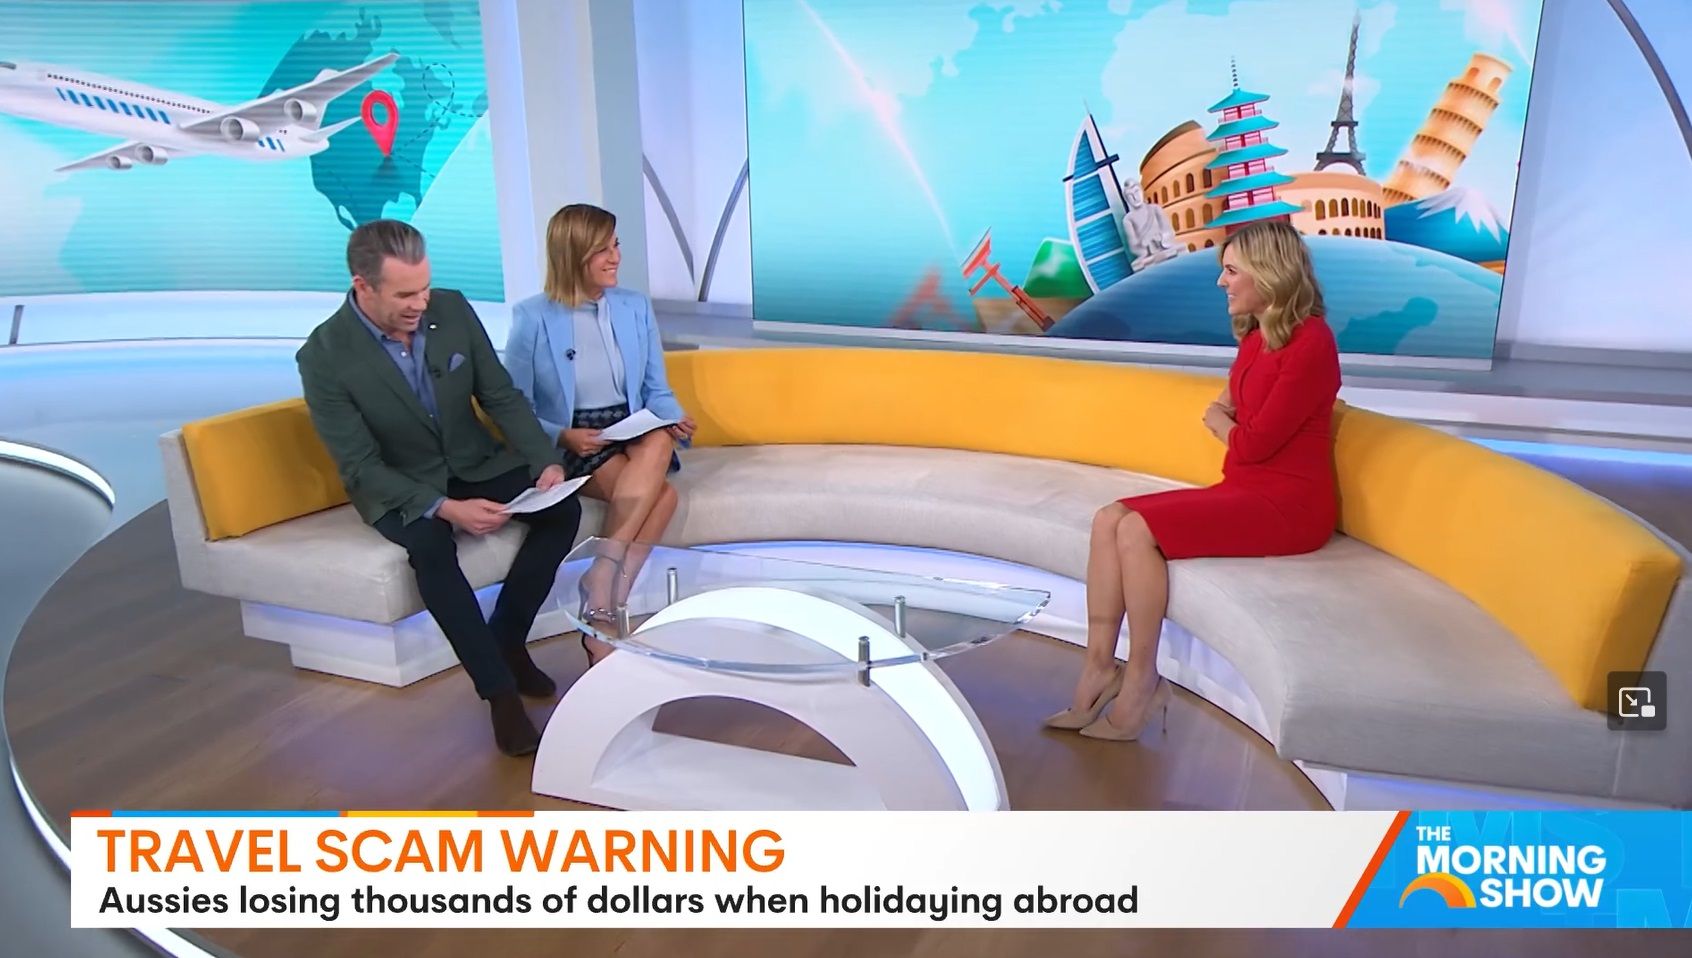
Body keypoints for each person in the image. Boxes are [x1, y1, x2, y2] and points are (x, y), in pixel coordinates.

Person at [1045, 219, 1341, 741]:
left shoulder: (1312, 342)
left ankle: (1143, 680)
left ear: (1268, 273)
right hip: (1246, 488)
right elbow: (1234, 412)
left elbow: (1252, 441)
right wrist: (1227, 419)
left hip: (1291, 506)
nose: (1221, 282)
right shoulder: (1257, 336)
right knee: (1108, 518)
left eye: (1231, 271)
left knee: (1137, 529)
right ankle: (1099, 668)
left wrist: (1222, 422)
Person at [297, 220, 582, 758]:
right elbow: (359, 464)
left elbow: (499, 395)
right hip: (399, 481)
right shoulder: (324, 356)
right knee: (430, 548)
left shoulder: (451, 309)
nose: (421, 303)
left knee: (561, 510)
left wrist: (543, 460)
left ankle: (506, 639)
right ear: (363, 286)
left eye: (424, 288)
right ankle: (499, 693)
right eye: (405, 295)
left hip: (472, 460)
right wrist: (445, 508)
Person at [504, 204, 695, 666]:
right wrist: (563, 436)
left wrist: (672, 417)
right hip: (578, 436)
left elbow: (656, 387)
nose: (615, 257)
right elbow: (513, 406)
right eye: (602, 250)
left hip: (632, 424)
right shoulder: (533, 317)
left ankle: (602, 583)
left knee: (660, 439)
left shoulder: (633, 306)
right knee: (663, 498)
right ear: (573, 254)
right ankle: (607, 603)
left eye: (616, 245)